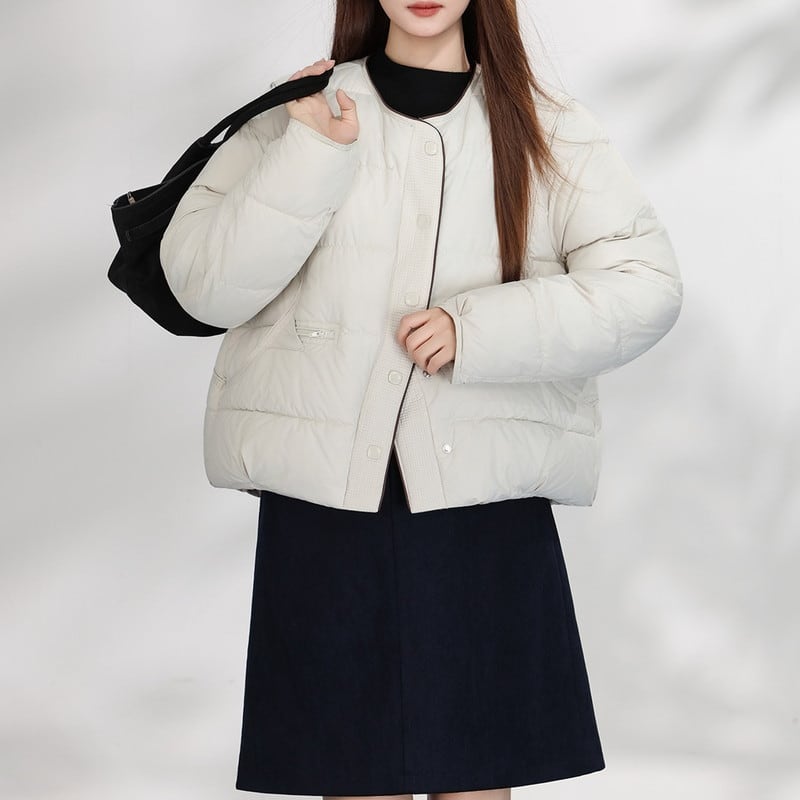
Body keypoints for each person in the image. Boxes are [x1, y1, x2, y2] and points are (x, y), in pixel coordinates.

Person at [160, 1, 683, 798]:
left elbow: (646, 287)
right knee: (353, 775)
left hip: (484, 495)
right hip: (326, 497)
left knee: (478, 776)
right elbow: (203, 289)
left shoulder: (547, 127)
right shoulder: (301, 113)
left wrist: (480, 330)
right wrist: (311, 152)